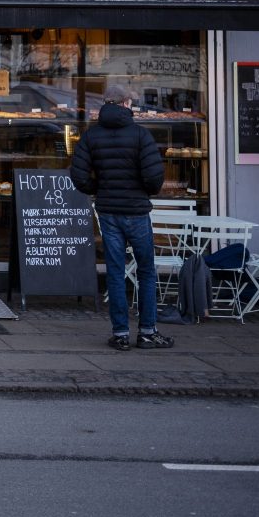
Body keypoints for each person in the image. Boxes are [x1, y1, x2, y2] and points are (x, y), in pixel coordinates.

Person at [70, 84, 175, 351]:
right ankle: (148, 332)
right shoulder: (141, 135)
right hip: (137, 211)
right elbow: (153, 177)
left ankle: (120, 334)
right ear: (126, 104)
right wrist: (145, 191)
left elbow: (79, 175)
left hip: (108, 212)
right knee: (147, 272)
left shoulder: (92, 136)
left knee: (116, 272)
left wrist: (99, 189)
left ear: (106, 104)